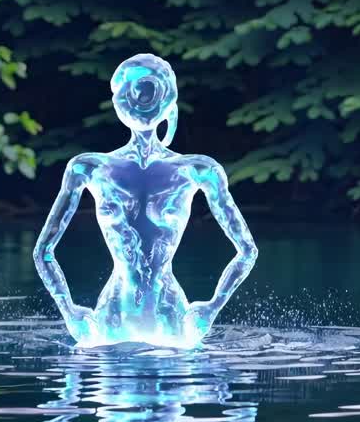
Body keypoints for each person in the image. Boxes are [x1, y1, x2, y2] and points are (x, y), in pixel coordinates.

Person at [33, 53, 258, 347]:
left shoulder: (198, 170)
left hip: (162, 321)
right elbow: (43, 251)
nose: (142, 98)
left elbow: (247, 251)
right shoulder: (88, 168)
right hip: (125, 322)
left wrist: (212, 308)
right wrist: (69, 312)